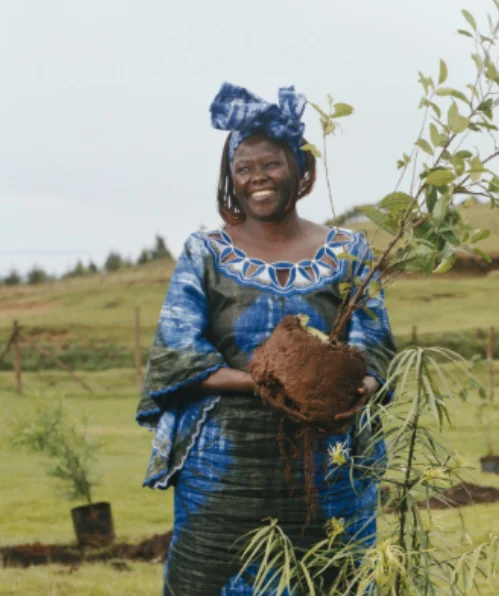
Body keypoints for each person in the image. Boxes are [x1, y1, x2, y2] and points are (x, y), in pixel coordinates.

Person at [135, 83, 395, 595]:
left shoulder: (348, 251)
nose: (257, 177)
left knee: (334, 578)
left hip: (328, 464)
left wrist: (353, 390)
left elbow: (377, 348)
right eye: (243, 167)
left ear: (299, 167)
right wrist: (271, 382)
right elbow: (178, 354)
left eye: (272, 163)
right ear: (230, 178)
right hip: (223, 471)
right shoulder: (205, 253)